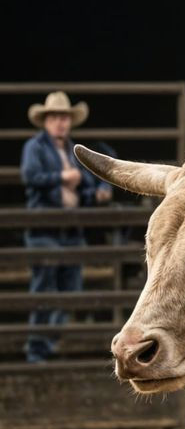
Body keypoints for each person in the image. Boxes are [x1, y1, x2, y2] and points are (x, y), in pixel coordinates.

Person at [20, 91, 110, 362]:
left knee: (71, 289)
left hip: (70, 229)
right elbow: (30, 176)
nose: (61, 123)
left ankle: (47, 342)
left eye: (64, 118)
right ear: (46, 121)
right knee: (44, 289)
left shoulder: (71, 151)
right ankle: (38, 349)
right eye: (56, 118)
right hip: (45, 228)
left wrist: (95, 193)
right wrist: (61, 176)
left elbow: (82, 187)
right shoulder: (35, 147)